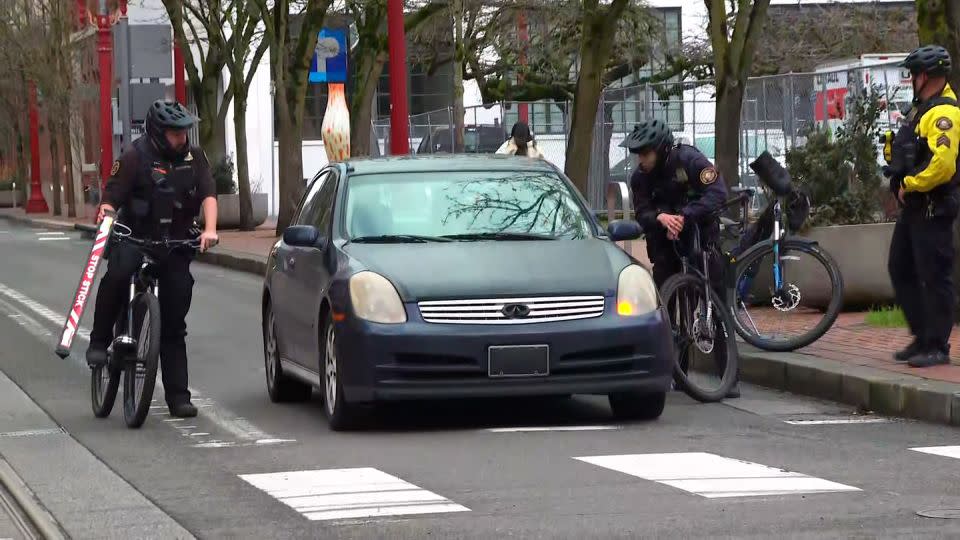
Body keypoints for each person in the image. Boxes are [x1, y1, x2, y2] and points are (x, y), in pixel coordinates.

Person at [86, 100, 219, 418]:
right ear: (159, 133)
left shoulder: (194, 157)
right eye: (175, 133)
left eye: (185, 132)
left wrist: (210, 229)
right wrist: (105, 215)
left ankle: (178, 396)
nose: (182, 138)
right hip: (135, 237)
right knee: (119, 274)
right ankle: (100, 340)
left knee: (174, 318)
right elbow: (111, 198)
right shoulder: (135, 156)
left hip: (175, 242)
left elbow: (208, 193)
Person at [621, 118, 738, 397]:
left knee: (717, 303)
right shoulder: (640, 178)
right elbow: (642, 212)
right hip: (664, 246)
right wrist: (660, 217)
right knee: (667, 308)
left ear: (660, 149)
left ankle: (729, 376)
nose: (641, 159)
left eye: (645, 153)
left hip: (699, 238)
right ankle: (676, 373)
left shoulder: (689, 160)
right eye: (638, 154)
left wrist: (686, 216)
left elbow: (718, 193)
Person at [883, 45, 960, 368]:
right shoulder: (921, 110)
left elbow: (943, 165)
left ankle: (937, 345)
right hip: (914, 207)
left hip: (933, 206)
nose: (911, 79)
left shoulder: (944, 114)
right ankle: (922, 335)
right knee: (901, 268)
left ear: (925, 76)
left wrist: (911, 185)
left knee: (934, 276)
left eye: (913, 74)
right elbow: (909, 153)